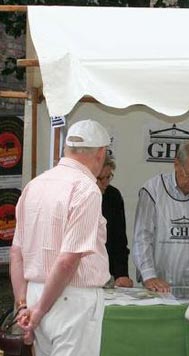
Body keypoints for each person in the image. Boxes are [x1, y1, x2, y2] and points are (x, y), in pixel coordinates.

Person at [10, 119, 111, 356]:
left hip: (35, 294)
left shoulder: (34, 185)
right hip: (71, 299)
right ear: (100, 153)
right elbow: (68, 260)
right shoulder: (86, 188)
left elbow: (17, 252)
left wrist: (24, 305)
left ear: (66, 150)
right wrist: (39, 311)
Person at [133, 141, 189, 293]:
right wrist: (149, 275)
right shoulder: (153, 190)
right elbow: (142, 238)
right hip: (159, 286)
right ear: (176, 164)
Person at [97, 154, 134, 288]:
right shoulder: (75, 196)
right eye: (100, 179)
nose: (105, 183)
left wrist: (122, 274)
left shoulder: (113, 196)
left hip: (108, 274)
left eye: (109, 177)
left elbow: (119, 241)